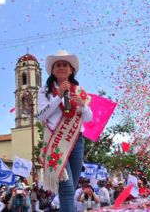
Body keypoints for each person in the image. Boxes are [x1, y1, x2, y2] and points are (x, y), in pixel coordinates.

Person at [37, 50, 92, 212]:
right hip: (56, 142)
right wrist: (58, 96)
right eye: (58, 65)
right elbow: (41, 115)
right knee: (67, 187)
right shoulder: (45, 91)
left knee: (72, 185)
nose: (61, 67)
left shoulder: (79, 90)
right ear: (52, 70)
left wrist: (83, 105)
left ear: (71, 70)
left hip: (77, 141)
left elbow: (88, 118)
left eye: (64, 65)